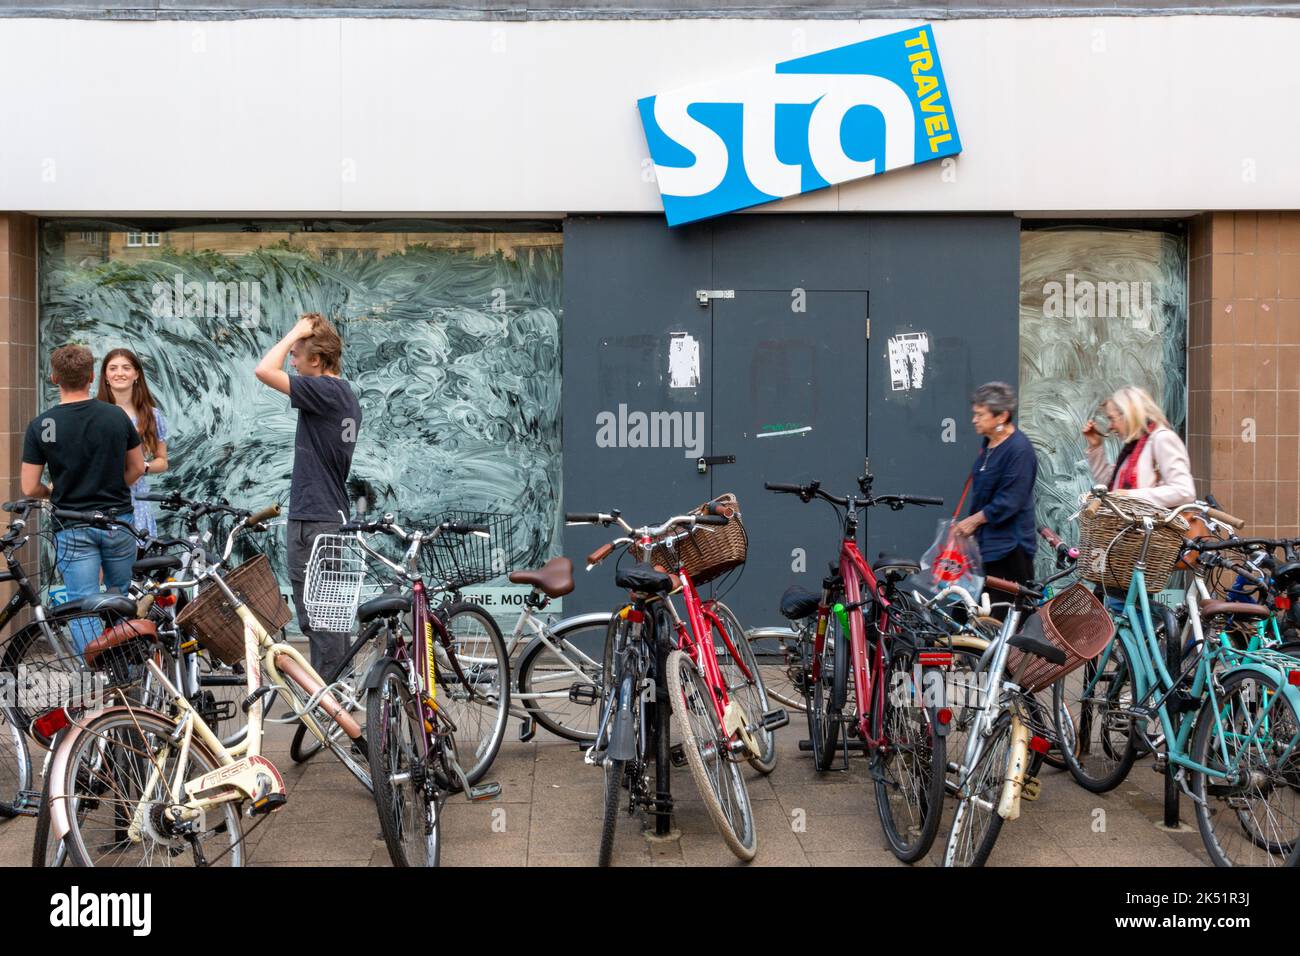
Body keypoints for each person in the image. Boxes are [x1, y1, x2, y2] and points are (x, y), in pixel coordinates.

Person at [255, 313, 362, 679]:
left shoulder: (326, 391)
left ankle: (330, 698)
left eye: (298, 355)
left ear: (316, 360)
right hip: (324, 514)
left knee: (319, 615)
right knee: (323, 614)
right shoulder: (341, 394)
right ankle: (331, 693)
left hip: (315, 518)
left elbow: (264, 370)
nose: (293, 362)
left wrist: (295, 333)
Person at [20, 344, 145, 652]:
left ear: (53, 378)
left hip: (71, 525)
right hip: (118, 522)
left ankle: (97, 679)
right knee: (122, 598)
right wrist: (114, 485)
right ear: (92, 377)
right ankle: (125, 674)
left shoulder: (43, 425)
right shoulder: (116, 417)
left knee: (83, 602)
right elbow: (138, 467)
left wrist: (53, 493)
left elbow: (29, 487)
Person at [953, 381, 1039, 610]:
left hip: (1009, 550)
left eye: (980, 415)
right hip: (984, 548)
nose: (974, 420)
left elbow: (1011, 500)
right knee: (969, 613)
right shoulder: (989, 444)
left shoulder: (1019, 450)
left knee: (1001, 618)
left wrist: (973, 521)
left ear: (1001, 417)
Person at [1082, 385, 1195, 508]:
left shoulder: (1162, 438)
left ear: (1128, 415)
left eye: (1112, 419)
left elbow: (1184, 491)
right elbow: (1110, 486)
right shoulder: (1134, 446)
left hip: (1150, 526)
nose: (1110, 426)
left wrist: (1129, 496)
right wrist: (1096, 447)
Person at [97, 348, 169, 537]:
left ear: (136, 374)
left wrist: (141, 466)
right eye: (113, 368)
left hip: (136, 500)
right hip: (100, 498)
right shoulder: (93, 414)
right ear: (105, 375)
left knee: (134, 563)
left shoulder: (152, 415)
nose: (119, 373)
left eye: (126, 368)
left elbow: (162, 461)